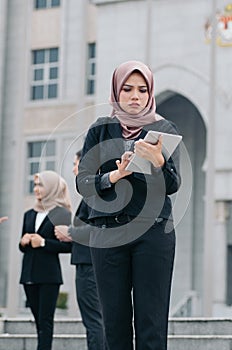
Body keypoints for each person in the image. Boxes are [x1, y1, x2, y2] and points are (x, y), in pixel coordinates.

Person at [76, 60, 181, 350]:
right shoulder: (99, 130)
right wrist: (114, 175)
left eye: (142, 89)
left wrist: (159, 161)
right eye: (128, 88)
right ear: (116, 91)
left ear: (150, 94)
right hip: (107, 234)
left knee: (152, 322)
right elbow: (83, 183)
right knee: (114, 324)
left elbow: (173, 185)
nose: (135, 96)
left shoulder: (163, 129)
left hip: (153, 233)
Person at [54, 150, 105, 350]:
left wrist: (70, 232)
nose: (74, 169)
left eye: (76, 164)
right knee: (95, 320)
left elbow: (100, 229)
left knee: (94, 321)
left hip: (90, 267)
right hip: (89, 264)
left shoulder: (96, 195)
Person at [19, 170, 72, 350]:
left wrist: (43, 243)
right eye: (34, 185)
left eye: (40, 184)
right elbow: (22, 246)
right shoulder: (28, 214)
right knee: (38, 320)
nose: (36, 189)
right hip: (29, 274)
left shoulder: (61, 214)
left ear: (51, 187)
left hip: (49, 275)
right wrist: (23, 241)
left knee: (45, 320)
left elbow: (68, 246)